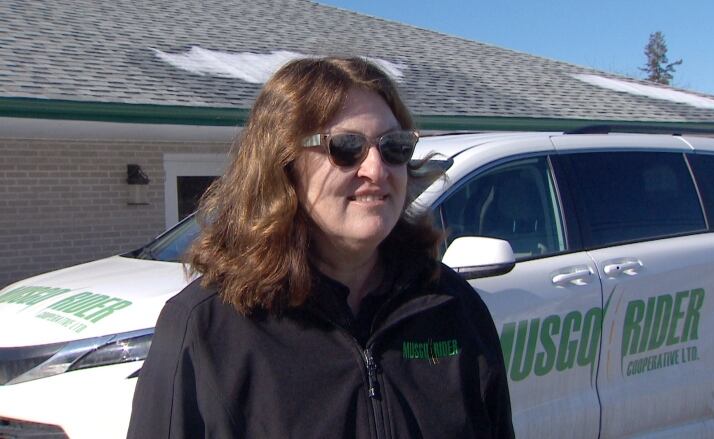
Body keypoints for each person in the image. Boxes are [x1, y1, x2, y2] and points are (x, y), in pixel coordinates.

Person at [126, 57, 514, 438]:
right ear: (284, 164)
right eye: (346, 147)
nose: (376, 170)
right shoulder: (207, 329)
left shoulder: (452, 307)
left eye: (393, 146)